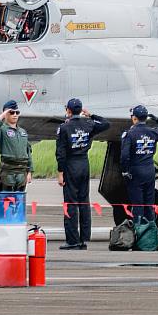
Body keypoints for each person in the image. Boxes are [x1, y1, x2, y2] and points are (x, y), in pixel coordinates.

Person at [55, 98, 111, 250]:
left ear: (68, 110)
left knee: (71, 203)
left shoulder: (64, 128)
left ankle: (72, 240)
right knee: (84, 201)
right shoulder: (88, 123)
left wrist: (60, 172)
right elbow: (106, 124)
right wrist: (91, 115)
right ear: (81, 110)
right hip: (84, 164)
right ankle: (84, 237)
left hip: (71, 165)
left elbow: (60, 152)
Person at [120, 105, 158, 223]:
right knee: (149, 204)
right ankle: (150, 233)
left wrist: (125, 171)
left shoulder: (129, 134)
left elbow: (124, 156)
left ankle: (139, 234)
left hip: (136, 171)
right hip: (149, 170)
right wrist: (157, 120)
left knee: (138, 205)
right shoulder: (153, 132)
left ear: (134, 118)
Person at [0, 100, 33, 192]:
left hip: (22, 171)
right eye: (11, 112)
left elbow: (28, 152)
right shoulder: (1, 130)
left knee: (19, 202)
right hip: (8, 171)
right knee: (6, 201)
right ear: (6, 113)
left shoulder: (23, 132)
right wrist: (3, 115)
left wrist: (30, 171)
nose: (15, 114)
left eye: (17, 112)